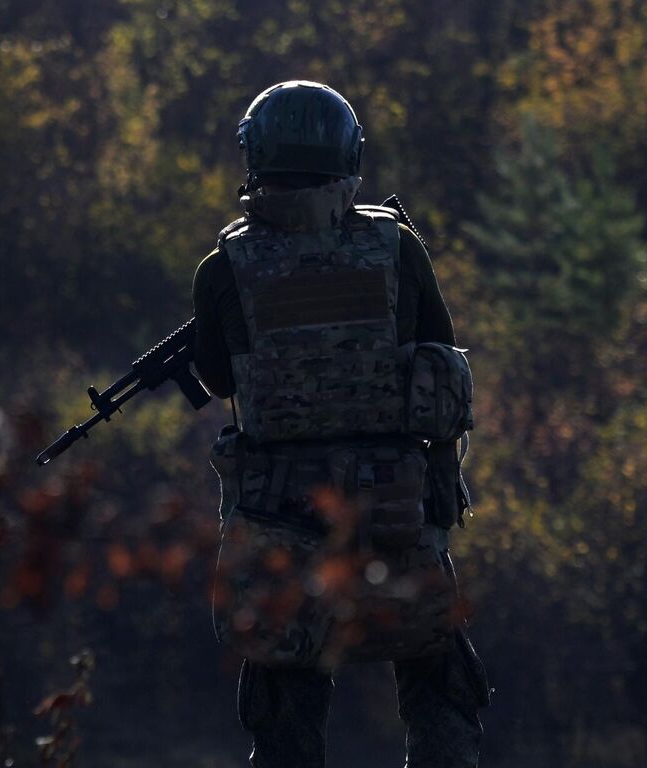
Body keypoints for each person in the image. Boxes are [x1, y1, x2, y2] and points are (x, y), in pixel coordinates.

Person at [191, 80, 489, 768]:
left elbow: (218, 381)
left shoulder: (223, 268)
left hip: (279, 513)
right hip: (394, 506)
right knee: (439, 683)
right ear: (347, 155)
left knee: (287, 701)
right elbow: (439, 363)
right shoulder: (398, 247)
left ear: (255, 158)